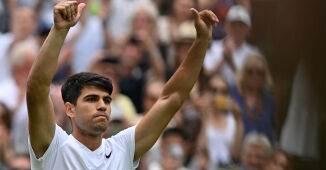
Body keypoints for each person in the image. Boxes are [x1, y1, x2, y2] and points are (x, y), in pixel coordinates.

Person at [26, 1, 218, 170]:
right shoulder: (54, 145)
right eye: (91, 99)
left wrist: (201, 42)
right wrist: (59, 31)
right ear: (70, 109)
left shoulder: (123, 148)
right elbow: (37, 89)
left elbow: (172, 98)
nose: (102, 105)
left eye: (107, 100)